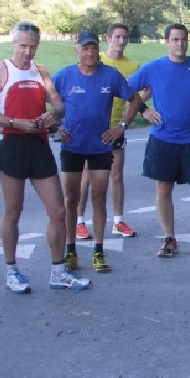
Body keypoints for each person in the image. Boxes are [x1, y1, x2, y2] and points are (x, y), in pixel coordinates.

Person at [0, 21, 90, 293]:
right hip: (12, 144)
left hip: (39, 143)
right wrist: (16, 122)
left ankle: (58, 271)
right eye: (23, 46)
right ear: (13, 44)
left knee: (58, 210)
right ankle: (11, 270)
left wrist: (53, 115)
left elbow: (58, 105)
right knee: (13, 212)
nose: (27, 52)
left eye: (32, 46)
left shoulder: (41, 71)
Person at [129, 23, 190, 260]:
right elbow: (126, 89)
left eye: (183, 39)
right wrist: (144, 110)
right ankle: (169, 238)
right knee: (163, 189)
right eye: (175, 40)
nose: (180, 44)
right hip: (162, 138)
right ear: (166, 42)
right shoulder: (153, 68)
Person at [53, 30, 143, 273]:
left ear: (98, 49)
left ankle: (99, 251)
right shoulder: (64, 76)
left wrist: (120, 127)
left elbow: (135, 100)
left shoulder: (110, 75)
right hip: (72, 146)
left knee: (99, 199)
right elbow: (47, 101)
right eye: (84, 48)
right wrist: (56, 128)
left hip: (100, 146)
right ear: (77, 51)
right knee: (70, 199)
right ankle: (70, 249)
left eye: (93, 47)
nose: (89, 52)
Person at [74, 23, 143, 241]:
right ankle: (79, 222)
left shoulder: (133, 66)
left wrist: (125, 121)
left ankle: (118, 221)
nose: (121, 41)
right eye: (117, 37)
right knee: (86, 176)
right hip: (92, 127)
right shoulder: (96, 57)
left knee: (116, 174)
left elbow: (138, 94)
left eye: (125, 37)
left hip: (114, 128)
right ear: (108, 38)